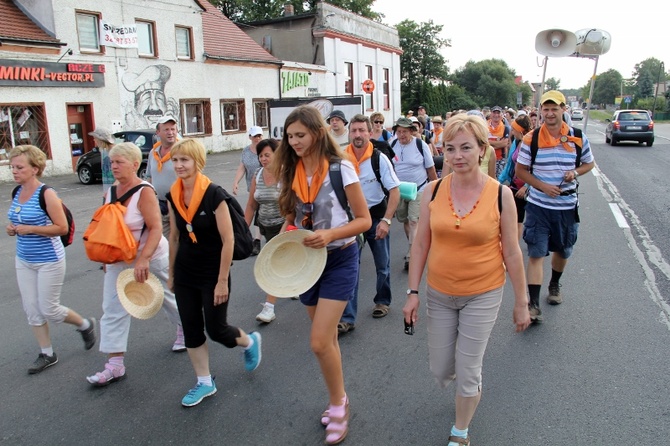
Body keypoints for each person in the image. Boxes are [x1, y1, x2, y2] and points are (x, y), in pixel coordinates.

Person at [403, 115, 530, 446]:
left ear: (482, 150)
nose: (457, 156)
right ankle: (465, 378)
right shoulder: (431, 192)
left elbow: (513, 254)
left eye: (465, 148)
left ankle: (460, 432)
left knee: (468, 370)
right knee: (442, 369)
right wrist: (413, 292)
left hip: (483, 293)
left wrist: (521, 302)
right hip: (440, 293)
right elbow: (420, 245)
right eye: (450, 149)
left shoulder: (501, 195)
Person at [272, 105, 371, 444]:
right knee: (326, 341)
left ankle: (337, 406)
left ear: (317, 133)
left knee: (317, 341)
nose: (294, 141)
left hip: (340, 259)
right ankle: (340, 396)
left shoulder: (341, 168)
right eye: (289, 136)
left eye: (300, 135)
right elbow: (293, 217)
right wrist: (289, 231)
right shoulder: (291, 170)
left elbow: (363, 221)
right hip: (305, 264)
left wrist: (329, 235)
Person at [166, 138, 262, 407]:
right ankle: (204, 382)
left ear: (197, 162)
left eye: (184, 160)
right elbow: (174, 237)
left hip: (212, 271)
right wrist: (172, 273)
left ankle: (250, 342)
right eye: (175, 160)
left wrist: (222, 282)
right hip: (185, 270)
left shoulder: (214, 194)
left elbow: (228, 240)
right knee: (191, 327)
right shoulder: (173, 194)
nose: (179, 165)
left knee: (217, 329)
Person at [86, 142, 185, 387]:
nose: (113, 166)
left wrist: (143, 259)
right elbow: (109, 226)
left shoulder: (144, 191)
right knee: (112, 308)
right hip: (120, 259)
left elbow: (154, 229)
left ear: (134, 164)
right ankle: (114, 365)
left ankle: (185, 329)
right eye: (111, 161)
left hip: (152, 255)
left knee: (167, 297)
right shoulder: (110, 191)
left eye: (119, 162)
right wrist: (107, 257)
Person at [7, 145, 96, 374]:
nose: (14, 171)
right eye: (12, 167)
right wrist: (13, 228)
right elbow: (17, 218)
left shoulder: (46, 194)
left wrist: (30, 228)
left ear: (35, 169)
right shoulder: (17, 192)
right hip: (24, 259)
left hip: (49, 259)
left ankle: (85, 325)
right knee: (32, 309)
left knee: (50, 308)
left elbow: (61, 228)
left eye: (19, 167)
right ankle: (47, 353)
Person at [515, 90, 595, 323]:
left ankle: (555, 284)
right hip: (539, 206)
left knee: (563, 250)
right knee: (536, 252)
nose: (550, 113)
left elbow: (589, 163)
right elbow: (521, 171)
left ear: (563, 110)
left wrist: (575, 172)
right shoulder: (532, 138)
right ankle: (533, 304)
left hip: (567, 206)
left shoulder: (577, 136)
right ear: (541, 111)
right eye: (546, 109)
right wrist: (542, 187)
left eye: (554, 108)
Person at [337, 114, 400, 334]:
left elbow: (394, 191)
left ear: (369, 132)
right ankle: (347, 318)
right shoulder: (341, 159)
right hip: (352, 221)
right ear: (349, 133)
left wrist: (387, 220)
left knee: (382, 265)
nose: (357, 135)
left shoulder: (379, 158)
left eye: (361, 130)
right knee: (350, 269)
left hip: (375, 218)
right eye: (353, 131)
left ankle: (382, 300)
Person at [243, 138, 287, 323]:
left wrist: (285, 231)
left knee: (273, 266)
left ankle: (269, 308)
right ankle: (297, 286)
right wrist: (243, 229)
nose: (263, 159)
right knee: (283, 264)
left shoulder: (286, 175)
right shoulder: (257, 175)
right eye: (260, 155)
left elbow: (293, 208)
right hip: (266, 226)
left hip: (285, 225)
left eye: (267, 155)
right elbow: (252, 205)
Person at [391, 116, 438, 271]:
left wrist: (436, 190)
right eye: (399, 131)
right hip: (400, 190)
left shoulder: (420, 145)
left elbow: (430, 169)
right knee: (405, 221)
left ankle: (412, 253)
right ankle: (414, 245)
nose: (402, 135)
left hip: (419, 188)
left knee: (413, 221)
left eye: (405, 131)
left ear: (411, 131)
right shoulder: (391, 144)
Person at [232, 125, 265, 255]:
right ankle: (254, 239)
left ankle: (256, 240)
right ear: (250, 137)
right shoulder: (246, 151)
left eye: (259, 136)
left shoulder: (266, 149)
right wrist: (235, 182)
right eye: (255, 136)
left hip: (265, 186)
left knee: (259, 212)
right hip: (251, 187)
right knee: (256, 211)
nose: (257, 138)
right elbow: (242, 167)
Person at [147, 116, 179, 238]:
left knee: (181, 241)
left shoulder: (182, 150)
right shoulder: (153, 152)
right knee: (163, 242)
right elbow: (149, 177)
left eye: (173, 129)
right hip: (160, 205)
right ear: (158, 132)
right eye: (166, 129)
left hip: (178, 204)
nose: (170, 133)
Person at [88, 127, 116, 192]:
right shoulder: (103, 151)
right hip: (106, 190)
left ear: (101, 140)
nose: (94, 140)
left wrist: (112, 192)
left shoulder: (115, 151)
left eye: (95, 138)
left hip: (115, 191)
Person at [487, 106, 510, 178]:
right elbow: (482, 142)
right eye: (494, 113)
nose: (496, 115)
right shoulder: (484, 126)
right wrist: (498, 143)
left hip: (500, 158)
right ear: (491, 114)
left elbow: (504, 143)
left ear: (501, 115)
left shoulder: (505, 128)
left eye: (498, 113)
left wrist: (488, 142)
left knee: (498, 181)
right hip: (487, 157)